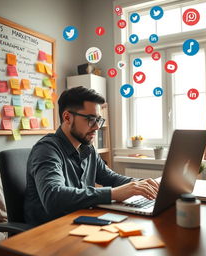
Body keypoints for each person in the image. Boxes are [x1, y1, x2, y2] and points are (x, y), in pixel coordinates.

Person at [24, 86, 159, 226]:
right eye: (91, 119)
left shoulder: (87, 148)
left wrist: (144, 184)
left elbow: (111, 178)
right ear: (67, 117)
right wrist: (112, 194)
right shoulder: (46, 149)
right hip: (49, 231)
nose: (97, 127)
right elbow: (54, 197)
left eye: (99, 120)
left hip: (79, 221)